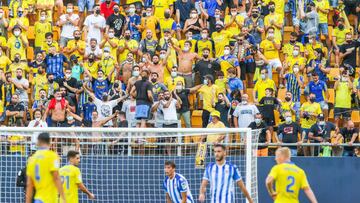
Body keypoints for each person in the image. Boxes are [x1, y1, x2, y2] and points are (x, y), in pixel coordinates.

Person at [25, 132, 66, 203]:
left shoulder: (31, 159)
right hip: (50, 199)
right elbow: (56, 178)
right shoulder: (52, 156)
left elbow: (29, 185)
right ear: (50, 142)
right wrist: (63, 198)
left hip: (38, 199)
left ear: (38, 142)